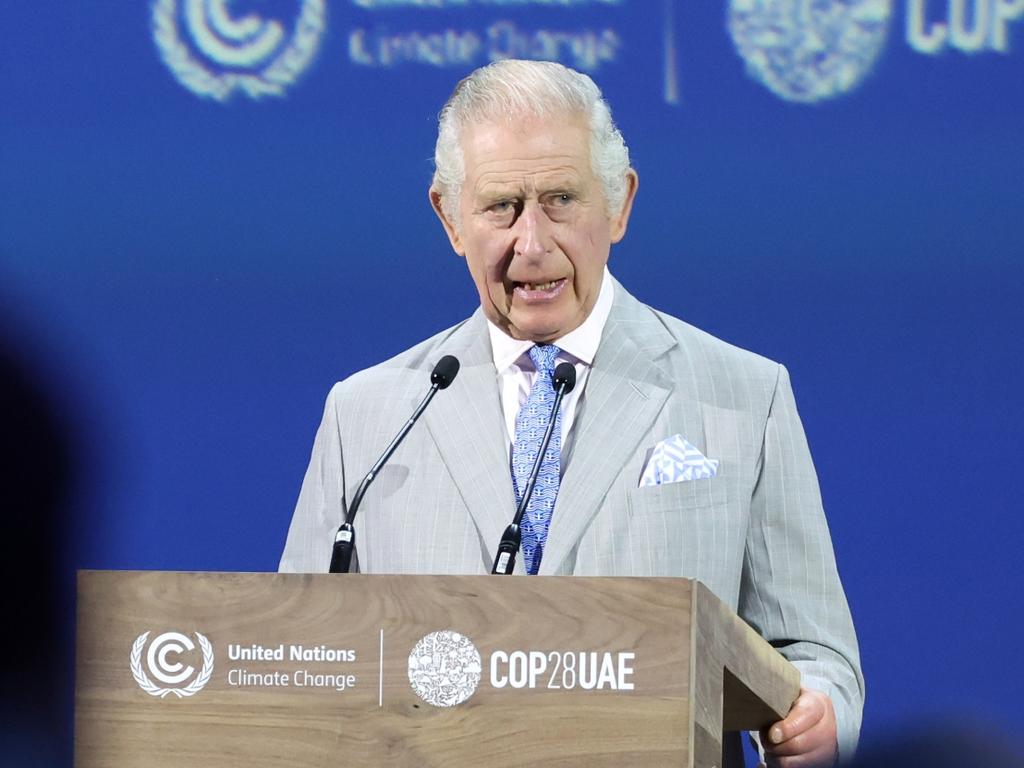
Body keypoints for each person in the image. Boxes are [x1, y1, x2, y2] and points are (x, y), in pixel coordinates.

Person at [280, 59, 863, 767]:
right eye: (502, 206)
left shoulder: (743, 395)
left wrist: (818, 717)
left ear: (618, 205)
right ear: (450, 217)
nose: (532, 243)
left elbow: (815, 650)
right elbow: (299, 660)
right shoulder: (369, 415)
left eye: (561, 199)